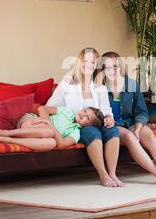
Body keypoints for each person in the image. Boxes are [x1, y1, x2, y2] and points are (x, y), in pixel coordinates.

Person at [100, 52, 156, 186]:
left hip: (131, 123)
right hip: (113, 125)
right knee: (130, 137)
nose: (112, 70)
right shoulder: (99, 89)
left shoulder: (131, 85)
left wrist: (138, 126)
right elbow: (98, 113)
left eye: (115, 66)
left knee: (148, 134)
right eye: (108, 67)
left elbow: (141, 110)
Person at [47, 48, 123, 188]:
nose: (88, 64)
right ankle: (103, 176)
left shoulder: (99, 87)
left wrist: (108, 117)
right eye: (85, 60)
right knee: (93, 133)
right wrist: (64, 86)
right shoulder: (68, 83)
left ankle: (112, 174)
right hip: (77, 124)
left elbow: (106, 108)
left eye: (92, 62)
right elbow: (50, 105)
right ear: (79, 62)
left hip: (97, 123)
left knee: (113, 131)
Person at [0, 106, 105, 152]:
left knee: (51, 143)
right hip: (31, 121)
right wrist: (47, 122)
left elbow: (61, 144)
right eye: (85, 111)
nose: (83, 115)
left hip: (40, 135)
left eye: (87, 117)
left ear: (88, 125)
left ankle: (10, 140)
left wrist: (49, 125)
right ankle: (6, 132)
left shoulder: (76, 132)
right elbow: (42, 109)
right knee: (49, 131)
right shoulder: (67, 111)